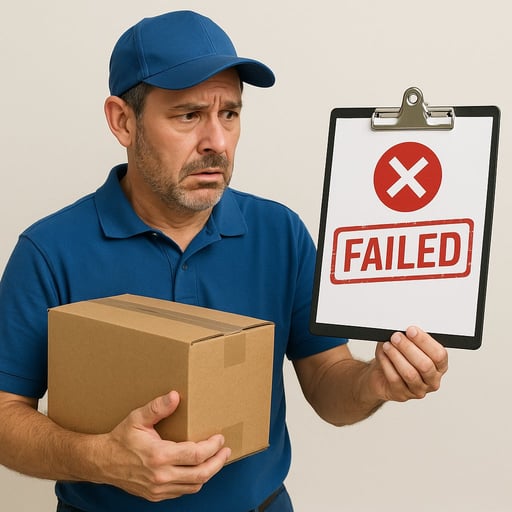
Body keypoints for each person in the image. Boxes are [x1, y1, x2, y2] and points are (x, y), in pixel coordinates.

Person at [0, 10, 448, 512]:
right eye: (188, 115)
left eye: (229, 114)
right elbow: (4, 414)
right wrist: (101, 459)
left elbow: (329, 383)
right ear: (122, 121)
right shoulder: (49, 250)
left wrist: (374, 383)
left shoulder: (281, 234)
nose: (216, 142)